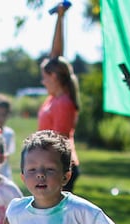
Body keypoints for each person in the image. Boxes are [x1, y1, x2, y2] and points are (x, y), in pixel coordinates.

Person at [38, 2, 80, 191]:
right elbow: (55, 55)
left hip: (59, 167)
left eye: (45, 77)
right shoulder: (55, 98)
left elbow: (59, 143)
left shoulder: (63, 102)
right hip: (50, 166)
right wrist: (60, 18)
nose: (43, 82)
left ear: (54, 76)